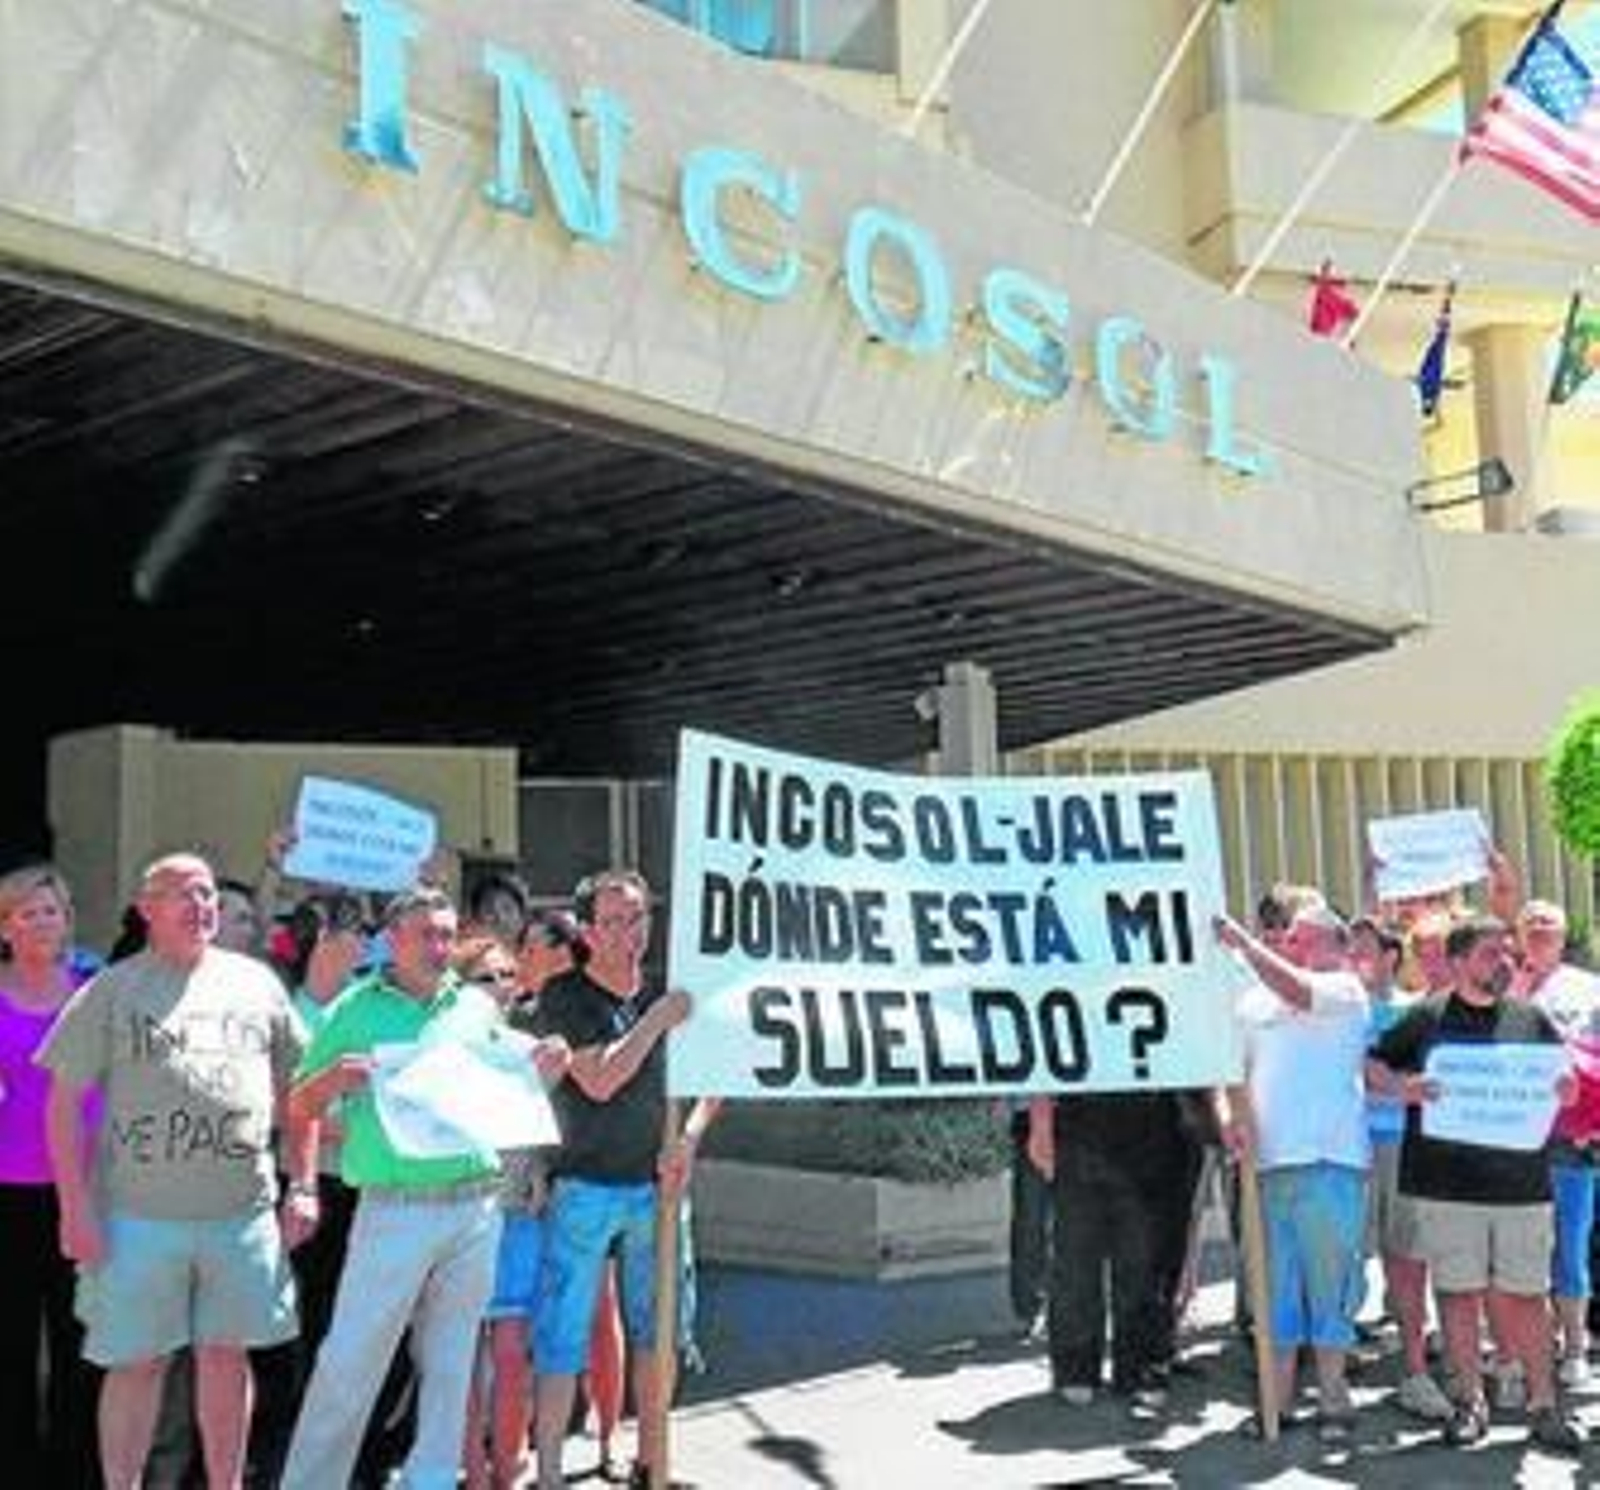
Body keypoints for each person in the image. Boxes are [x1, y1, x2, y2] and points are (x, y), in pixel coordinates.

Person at [279, 885, 568, 1490]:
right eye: (427, 935)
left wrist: (539, 1071)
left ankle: (431, 1481)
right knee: (351, 1361)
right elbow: (298, 1104)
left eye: (446, 934)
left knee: (452, 1365)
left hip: (474, 1203)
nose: (440, 947)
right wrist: (332, 1078)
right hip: (395, 1209)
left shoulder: (473, 1006)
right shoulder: (355, 1008)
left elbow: (504, 1091)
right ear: (394, 940)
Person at [39, 852, 309, 1490]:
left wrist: (303, 1185)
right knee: (136, 1364)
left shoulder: (257, 983)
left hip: (241, 1219)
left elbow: (301, 1094)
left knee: (226, 1356)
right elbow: (61, 1107)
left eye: (209, 893)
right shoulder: (111, 988)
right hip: (137, 1220)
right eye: (182, 894)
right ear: (146, 908)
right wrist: (75, 1210)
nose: (201, 906)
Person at [1369, 914, 1584, 1454]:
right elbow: (1371, 1067)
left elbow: (1569, 1086)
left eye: (1508, 952)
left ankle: (1543, 1406)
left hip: (1521, 1186)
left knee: (1527, 1297)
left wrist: (1566, 1089)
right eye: (1491, 953)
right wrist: (1404, 1088)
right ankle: (1470, 1402)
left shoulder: (1530, 1018)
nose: (1505, 961)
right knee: (1458, 1296)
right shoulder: (1425, 1016)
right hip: (1447, 1186)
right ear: (1460, 961)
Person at [530, 869, 717, 1490]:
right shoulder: (564, 996)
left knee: (657, 1330)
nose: (629, 933)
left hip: (656, 1188)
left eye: (637, 918)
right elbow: (601, 1079)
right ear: (586, 930)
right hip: (585, 1185)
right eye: (612, 921)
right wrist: (656, 1021)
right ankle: (551, 1470)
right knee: (563, 1330)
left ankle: (652, 1461)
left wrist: (688, 1139)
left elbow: (720, 1071)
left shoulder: (670, 992)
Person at [1214, 903, 1369, 1446]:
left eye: (1305, 938)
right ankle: (1275, 1404)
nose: (1291, 944)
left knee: (1330, 1287)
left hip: (1331, 1160)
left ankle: (1333, 1395)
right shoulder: (1253, 1000)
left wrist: (1241, 945)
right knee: (1272, 1291)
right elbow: (1228, 1068)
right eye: (1287, 937)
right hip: (1268, 1165)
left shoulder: (1345, 989)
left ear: (1338, 947)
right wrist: (1229, 1117)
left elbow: (1298, 990)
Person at [0, 864, 103, 1486]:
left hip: (89, 1191)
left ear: (68, 921)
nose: (41, 922)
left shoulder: (95, 991)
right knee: (11, 1342)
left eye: (51, 911)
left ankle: (75, 1472)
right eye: (26, 912)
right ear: (5, 926)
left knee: (81, 1340)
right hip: (9, 1189)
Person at [1350, 916, 1452, 1423]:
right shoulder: (1336, 1006)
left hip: (1405, 1146)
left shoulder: (1414, 1009)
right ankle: (1331, 1357)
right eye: (1349, 945)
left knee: (1407, 1259)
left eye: (1365, 947)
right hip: (1346, 1146)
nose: (1355, 954)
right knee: (1343, 1255)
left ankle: (1415, 1369)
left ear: (1391, 955)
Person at [1514, 899, 1600, 1386]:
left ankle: (1575, 1348)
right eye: (1532, 927)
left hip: (1572, 1137)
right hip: (1513, 1139)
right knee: (1520, 1250)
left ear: (1564, 937)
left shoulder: (1589, 988)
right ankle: (1527, 1348)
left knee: (1570, 1245)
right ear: (1519, 935)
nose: (1540, 934)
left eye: (1549, 927)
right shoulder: (1503, 986)